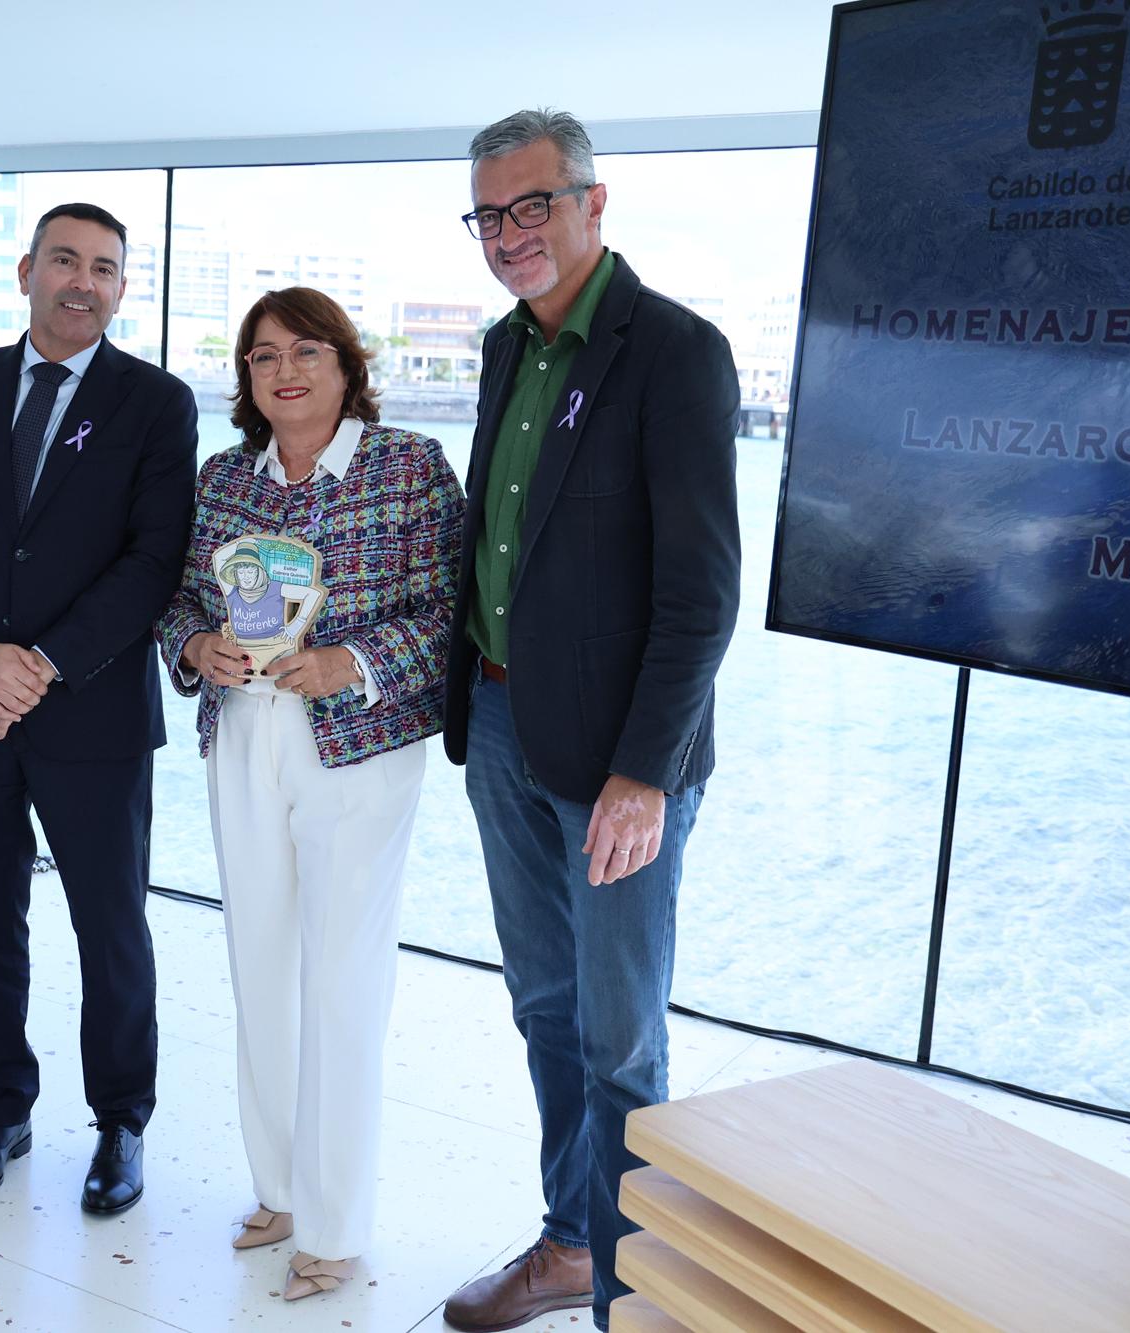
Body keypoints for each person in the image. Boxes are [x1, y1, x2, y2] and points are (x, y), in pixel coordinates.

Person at [438, 110, 741, 1333]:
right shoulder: (507, 349)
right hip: (503, 731)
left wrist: (641, 776)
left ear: (592, 205)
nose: (510, 234)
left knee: (620, 1042)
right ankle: (571, 1244)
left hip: (615, 760)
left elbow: (701, 596)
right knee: (543, 1011)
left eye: (533, 205)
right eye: (489, 214)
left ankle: (636, 1294)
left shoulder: (675, 352)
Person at [155, 287, 464, 1300]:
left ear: (345, 362)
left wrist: (353, 661)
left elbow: (450, 610)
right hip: (240, 735)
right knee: (258, 965)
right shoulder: (222, 478)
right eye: (260, 357)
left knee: (339, 981)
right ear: (244, 379)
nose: (283, 372)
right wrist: (195, 646)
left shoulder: (407, 466)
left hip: (358, 749)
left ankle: (332, 1228)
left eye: (305, 351)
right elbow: (181, 602)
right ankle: (279, 1187)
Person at [0, 203, 197, 1216]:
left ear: (120, 288)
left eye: (104, 268)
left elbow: (152, 558)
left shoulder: (156, 403)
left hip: (92, 714)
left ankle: (119, 1124)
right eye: (63, 260)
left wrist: (43, 664)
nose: (82, 281)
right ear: (25, 271)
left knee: (109, 928)